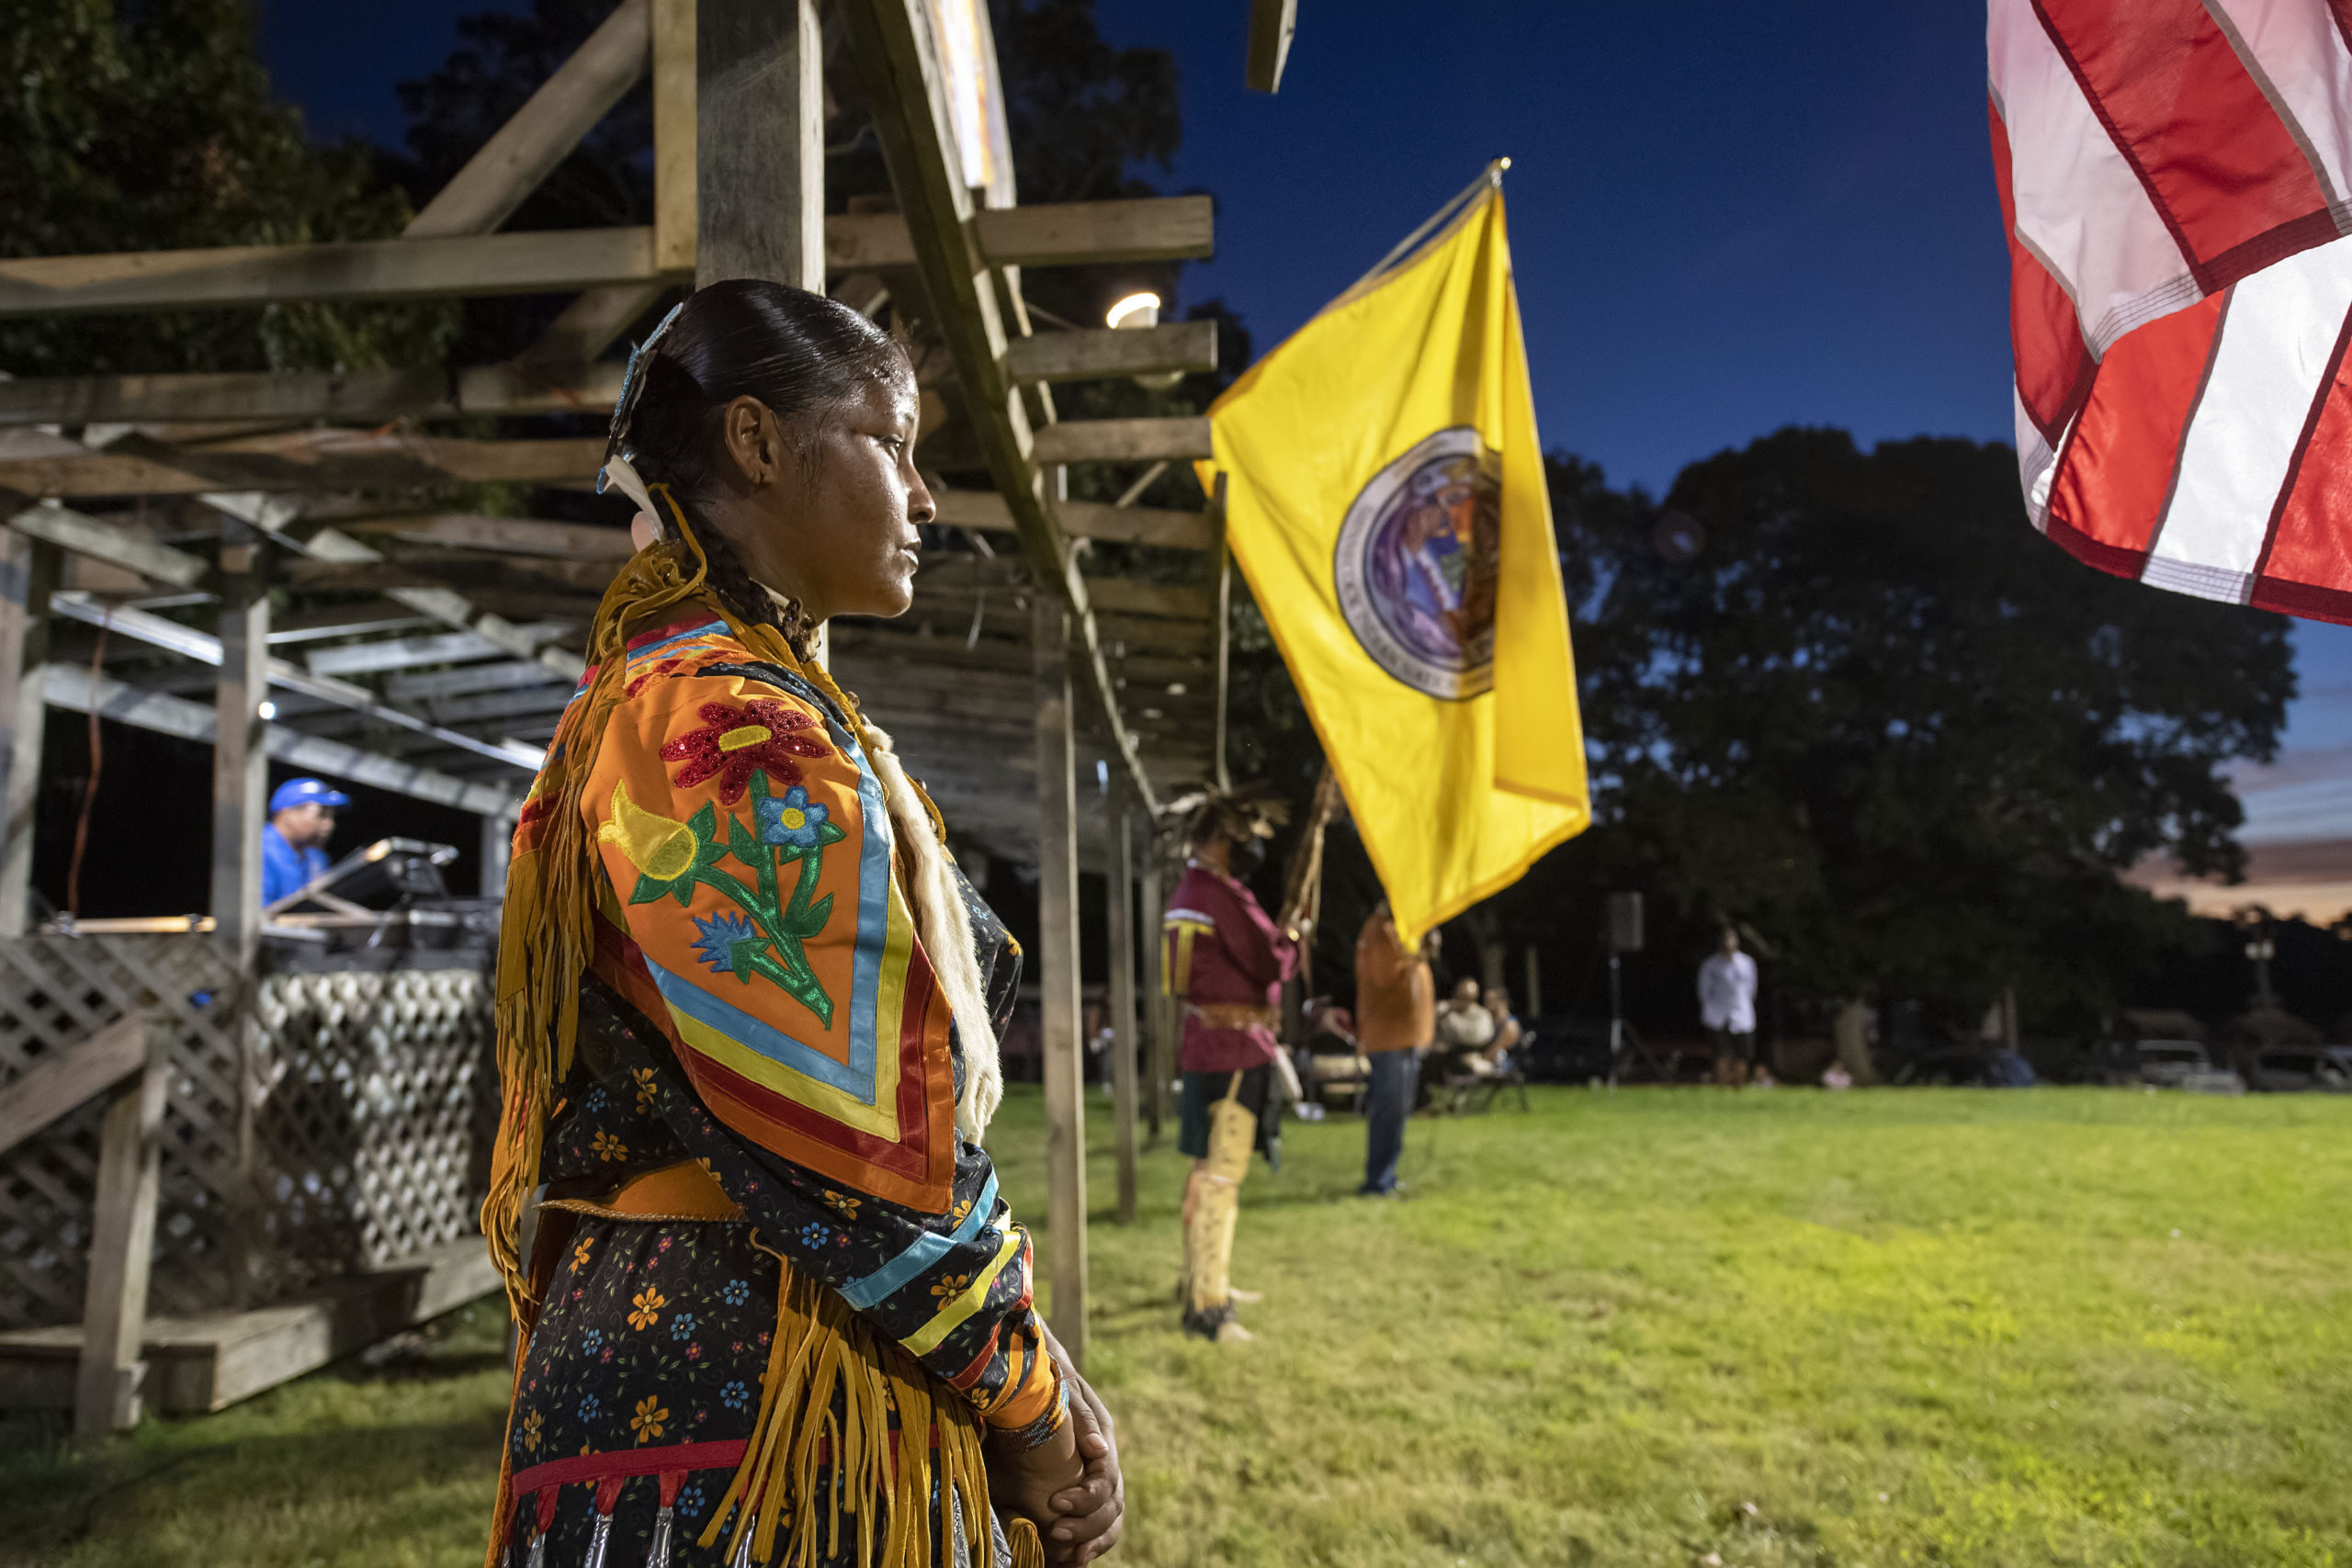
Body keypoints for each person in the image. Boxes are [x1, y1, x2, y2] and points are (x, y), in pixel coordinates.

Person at [483, 282, 1121, 1568]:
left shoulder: (704, 701)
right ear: (758, 443)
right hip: (751, 1382)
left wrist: (1029, 1360)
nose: (927, 495)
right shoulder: (718, 728)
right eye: (892, 441)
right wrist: (1035, 1403)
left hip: (750, 1350)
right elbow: (865, 1134)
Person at [1161, 785, 1299, 1343]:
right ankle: (1208, 1306)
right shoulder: (1223, 894)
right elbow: (1271, 959)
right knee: (1221, 1175)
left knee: (1204, 1170)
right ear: (1220, 841)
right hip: (1236, 1050)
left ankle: (1200, 1275)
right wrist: (1290, 939)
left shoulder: (1187, 891)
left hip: (1202, 1046)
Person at [1353, 903, 1433, 1196]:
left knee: (1397, 1111)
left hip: (1405, 1038)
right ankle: (1377, 1181)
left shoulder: (1398, 930)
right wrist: (1418, 953)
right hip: (1390, 1038)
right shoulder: (1380, 931)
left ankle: (1385, 1176)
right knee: (1389, 1110)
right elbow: (1386, 977)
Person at [260, 777, 348, 905]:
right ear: (287, 813)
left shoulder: (316, 858)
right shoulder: (258, 847)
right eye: (322, 815)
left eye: (332, 817)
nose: (329, 824)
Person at [1700, 926, 1760, 1086]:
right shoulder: (1711, 965)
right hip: (1717, 1015)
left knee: (1743, 1055)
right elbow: (1704, 992)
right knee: (1722, 1054)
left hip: (1742, 1015)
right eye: (1725, 939)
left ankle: (1740, 1087)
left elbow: (1752, 988)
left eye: (1731, 938)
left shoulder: (1747, 963)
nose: (1728, 943)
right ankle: (1721, 1087)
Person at [1481, 985, 1522, 1074]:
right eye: (1486, 1000)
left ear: (1502, 1002)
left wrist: (1479, 1059)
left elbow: (1498, 1048)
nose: (1486, 1004)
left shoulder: (1510, 1024)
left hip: (1504, 1067)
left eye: (1490, 1000)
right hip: (1489, 1062)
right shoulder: (1490, 1023)